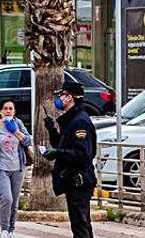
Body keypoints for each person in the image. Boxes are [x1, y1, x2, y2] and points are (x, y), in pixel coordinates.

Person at [42, 81, 97, 238]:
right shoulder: (71, 119)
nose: (59, 99)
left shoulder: (80, 121)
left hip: (79, 180)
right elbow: (61, 143)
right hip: (72, 180)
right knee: (81, 223)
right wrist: (52, 129)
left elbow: (82, 154)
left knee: (80, 224)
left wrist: (58, 153)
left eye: (62, 95)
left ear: (70, 97)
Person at [0, 99, 32, 238]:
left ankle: (11, 230)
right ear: (0, 112)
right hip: (1, 168)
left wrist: (15, 131)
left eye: (11, 108)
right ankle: (4, 229)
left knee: (14, 201)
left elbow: (28, 140)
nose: (8, 111)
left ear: (14, 111)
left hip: (18, 168)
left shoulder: (18, 124)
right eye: (5, 108)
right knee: (6, 198)